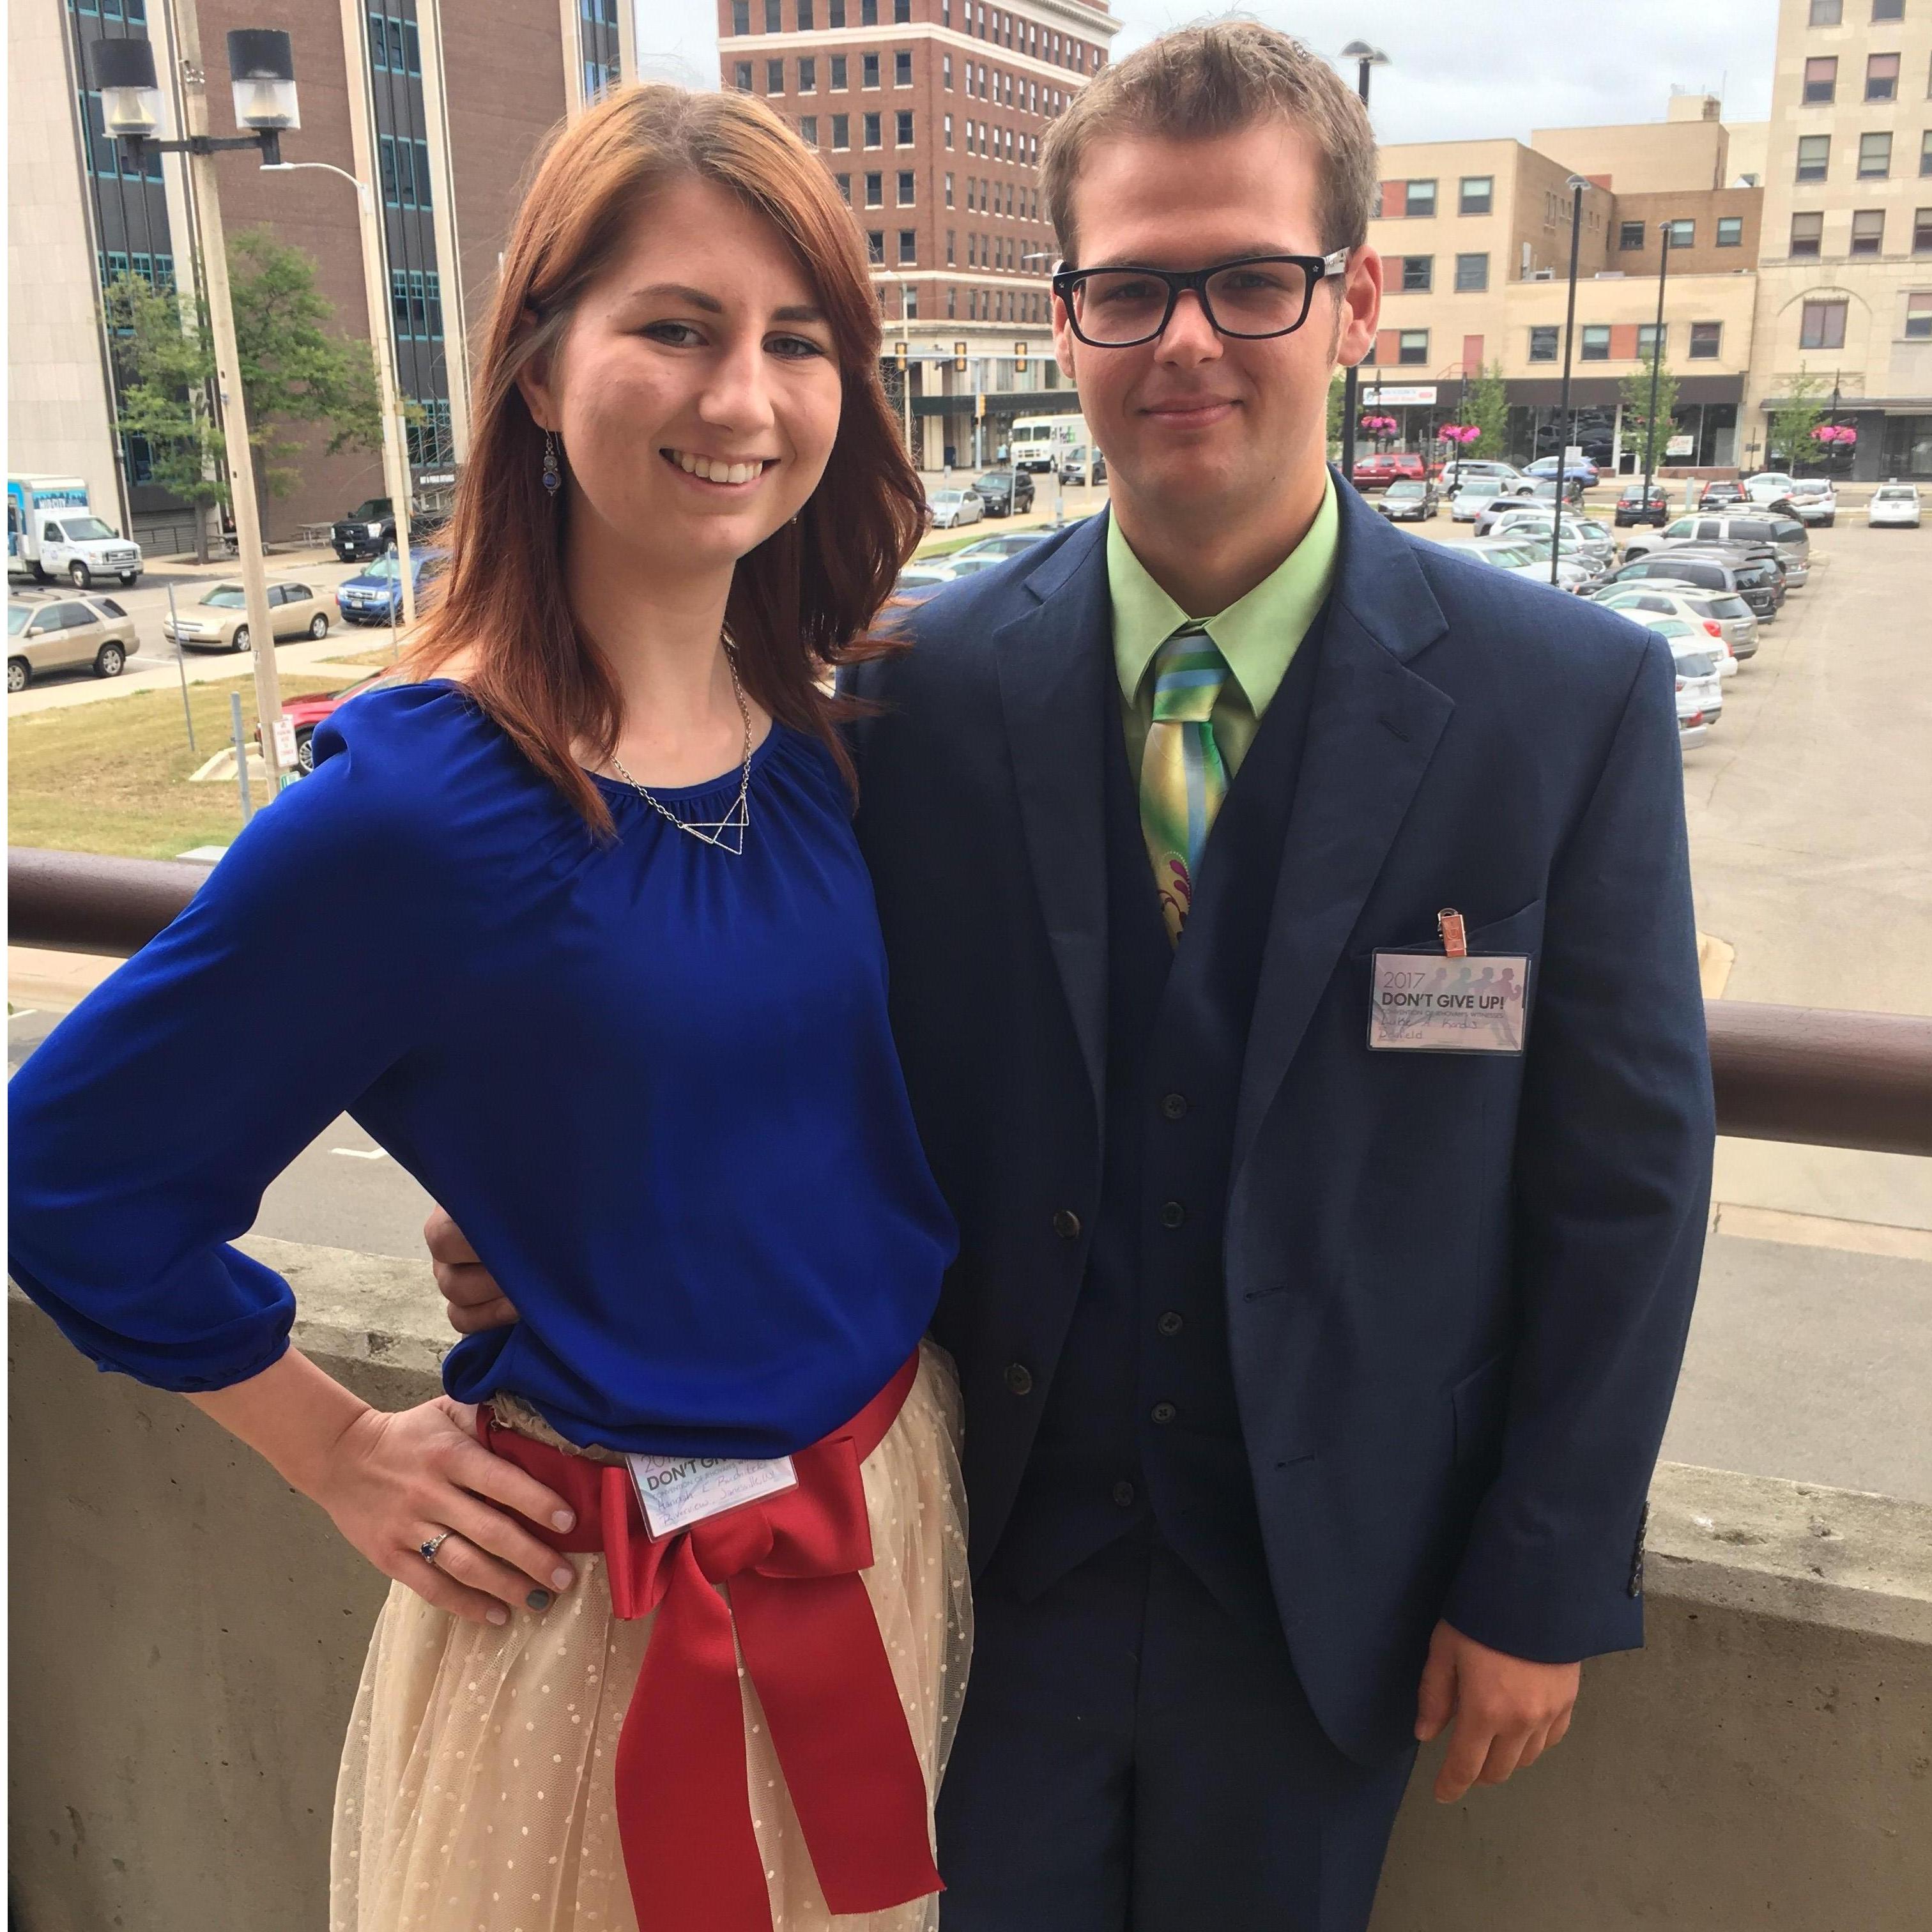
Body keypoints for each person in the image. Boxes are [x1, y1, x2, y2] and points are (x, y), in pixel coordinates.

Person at [429, 22, 1715, 1931]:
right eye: (1130, 291)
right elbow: (759, 1044)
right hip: (958, 1565)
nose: (1187, 340)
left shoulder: (1565, 704)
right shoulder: (903, 702)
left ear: (1353, 302)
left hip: (1336, 1599)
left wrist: (1538, 1575)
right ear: (1065, 324)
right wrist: (539, 1214)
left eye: (1250, 281)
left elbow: (1624, 1181)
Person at [8, 86, 970, 1932]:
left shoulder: (822, 727)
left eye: (796, 342)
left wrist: (558, 1192)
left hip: (880, 1518)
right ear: (538, 368)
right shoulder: (423, 805)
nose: (741, 400)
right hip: (612, 1626)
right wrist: (342, 1451)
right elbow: (71, 1170)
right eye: (674, 328)